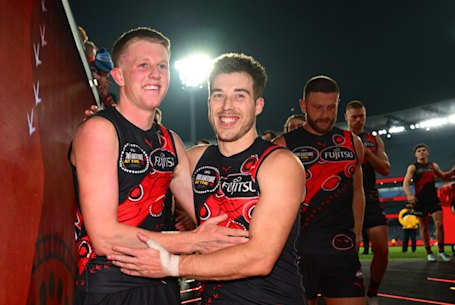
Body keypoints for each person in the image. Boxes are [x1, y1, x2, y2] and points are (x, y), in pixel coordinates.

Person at [109, 53, 307, 304]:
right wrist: (104, 125)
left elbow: (260, 258)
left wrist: (171, 264)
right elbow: (129, 170)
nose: (227, 106)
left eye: (239, 95)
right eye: (218, 95)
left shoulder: (280, 164)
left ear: (258, 105)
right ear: (209, 102)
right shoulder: (194, 159)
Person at [69, 27, 248, 305]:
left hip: (161, 280)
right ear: (118, 76)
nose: (155, 73)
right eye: (143, 65)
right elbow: (104, 237)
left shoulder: (171, 141)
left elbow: (208, 213)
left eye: (162, 66)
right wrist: (191, 242)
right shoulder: (100, 130)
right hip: (110, 285)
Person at [273, 76, 366, 305]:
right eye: (317, 108)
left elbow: (357, 190)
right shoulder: (281, 146)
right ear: (304, 106)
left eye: (331, 107)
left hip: (341, 248)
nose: (324, 115)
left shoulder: (352, 142)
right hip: (296, 253)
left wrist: (358, 231)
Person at [344, 100, 390, 304]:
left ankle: (372, 292)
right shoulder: (339, 139)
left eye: (362, 115)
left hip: (370, 198)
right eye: (354, 116)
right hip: (346, 201)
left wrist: (367, 151)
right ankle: (349, 292)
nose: (359, 120)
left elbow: (386, 169)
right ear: (346, 117)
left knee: (381, 250)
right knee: (350, 250)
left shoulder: (374, 139)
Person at [402, 143, 455, 262]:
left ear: (427, 152)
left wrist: (452, 170)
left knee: (440, 225)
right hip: (420, 201)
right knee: (423, 227)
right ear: (416, 154)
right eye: (419, 151)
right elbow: (406, 182)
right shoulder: (413, 167)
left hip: (433, 199)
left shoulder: (433, 166)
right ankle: (429, 252)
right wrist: (409, 195)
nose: (421, 152)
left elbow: (445, 177)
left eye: (423, 150)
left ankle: (441, 251)